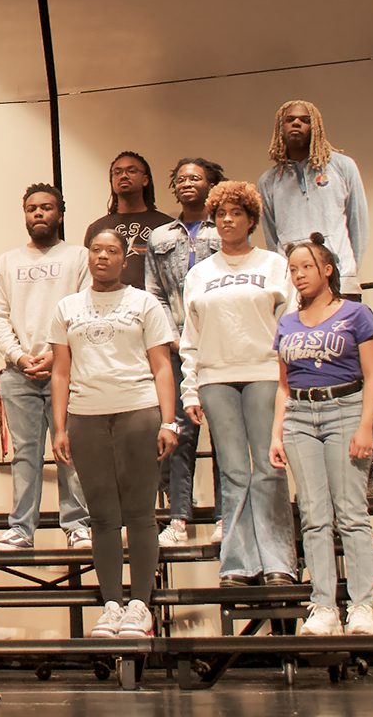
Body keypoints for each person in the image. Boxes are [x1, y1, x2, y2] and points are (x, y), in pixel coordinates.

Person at [50, 229, 178, 638]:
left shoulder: (143, 303)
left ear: (124, 259)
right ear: (87, 257)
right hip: (86, 416)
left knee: (140, 512)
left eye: (112, 251)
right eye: (96, 250)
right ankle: (111, 604)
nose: (102, 257)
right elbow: (60, 371)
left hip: (138, 411)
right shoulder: (68, 307)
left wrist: (169, 420)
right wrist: (59, 426)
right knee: (102, 516)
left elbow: (161, 366)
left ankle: (140, 603)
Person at [257, 101, 373, 497]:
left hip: (341, 279)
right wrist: (291, 276)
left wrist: (346, 271)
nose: (297, 125)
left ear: (316, 124)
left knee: (353, 373)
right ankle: (307, 464)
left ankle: (366, 464)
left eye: (304, 119)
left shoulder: (343, 167)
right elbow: (273, 238)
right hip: (297, 286)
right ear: (279, 127)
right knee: (302, 372)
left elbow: (356, 222)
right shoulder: (269, 180)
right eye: (289, 120)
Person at [180, 181, 297, 587]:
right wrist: (190, 388)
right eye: (221, 214)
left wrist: (288, 380)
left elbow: (290, 325)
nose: (228, 220)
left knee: (268, 468)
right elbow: (190, 338)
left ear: (251, 220)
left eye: (237, 214)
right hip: (216, 378)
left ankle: (279, 562)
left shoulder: (274, 265)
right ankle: (237, 563)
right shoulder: (199, 273)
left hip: (265, 372)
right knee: (232, 472)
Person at [269, 234, 373, 636]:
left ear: (327, 270)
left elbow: (372, 374)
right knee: (313, 516)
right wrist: (276, 434)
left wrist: (365, 425)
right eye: (293, 269)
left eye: (306, 268)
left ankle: (362, 606)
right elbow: (283, 384)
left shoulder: (355, 314)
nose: (298, 276)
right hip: (299, 414)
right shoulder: (287, 322)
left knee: (351, 513)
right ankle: (322, 606)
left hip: (344, 410)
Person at [0, 183, 92, 552]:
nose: (39, 214)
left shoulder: (78, 257)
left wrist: (54, 353)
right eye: (32, 208)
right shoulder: (7, 262)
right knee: (24, 454)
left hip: (67, 371)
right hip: (19, 375)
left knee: (70, 450)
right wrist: (19, 356)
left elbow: (84, 311)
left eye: (46, 208)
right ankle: (21, 529)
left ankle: (77, 525)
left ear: (60, 213)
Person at [144, 158, 225, 546]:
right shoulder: (160, 236)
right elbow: (154, 292)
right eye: (181, 179)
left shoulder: (224, 229)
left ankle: (227, 516)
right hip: (177, 345)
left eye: (196, 178)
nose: (188, 183)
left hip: (222, 345)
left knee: (226, 434)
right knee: (178, 433)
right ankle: (179, 518)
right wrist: (170, 334)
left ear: (211, 184)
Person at [82, 151, 174, 290]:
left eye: (131, 171)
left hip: (154, 305)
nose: (123, 176)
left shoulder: (167, 225)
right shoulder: (98, 228)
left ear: (145, 180)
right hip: (108, 304)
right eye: (117, 172)